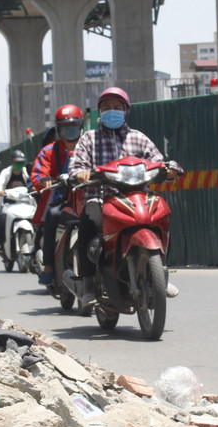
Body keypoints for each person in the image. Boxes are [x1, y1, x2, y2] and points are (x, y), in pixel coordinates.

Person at [67, 86, 183, 305]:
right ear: (100, 112)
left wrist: (170, 169)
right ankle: (89, 283)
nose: (113, 111)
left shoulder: (138, 138)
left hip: (137, 199)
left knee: (162, 219)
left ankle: (160, 273)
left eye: (118, 107)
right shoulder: (89, 139)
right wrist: (80, 174)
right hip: (102, 199)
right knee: (88, 224)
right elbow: (76, 166)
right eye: (108, 107)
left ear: (126, 111)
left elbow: (160, 160)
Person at [31, 104, 85, 285]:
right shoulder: (49, 151)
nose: (70, 131)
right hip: (61, 199)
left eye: (74, 126)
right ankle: (48, 266)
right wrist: (44, 180)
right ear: (58, 129)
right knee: (52, 216)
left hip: (86, 197)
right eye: (65, 127)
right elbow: (38, 173)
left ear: (81, 127)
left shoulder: (89, 146)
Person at [0, 150, 31, 253]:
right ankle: (0, 243)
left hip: (24, 203)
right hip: (8, 204)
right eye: (17, 162)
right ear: (12, 162)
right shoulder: (5, 172)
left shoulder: (26, 171)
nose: (19, 165)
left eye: (21, 162)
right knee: (2, 217)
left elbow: (31, 182)